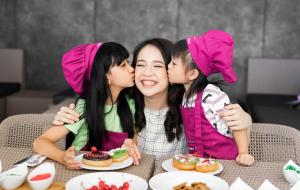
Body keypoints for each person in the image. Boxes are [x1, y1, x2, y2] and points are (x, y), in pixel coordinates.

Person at [53, 38, 252, 162]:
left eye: (157, 66)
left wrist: (247, 121)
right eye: (140, 64)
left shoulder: (191, 103)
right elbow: (93, 106)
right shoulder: (122, 103)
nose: (147, 73)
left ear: (173, 70)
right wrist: (66, 114)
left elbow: (226, 136)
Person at [33, 42, 140, 169]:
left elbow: (133, 137)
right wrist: (63, 157)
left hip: (115, 175)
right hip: (81, 172)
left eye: (128, 62)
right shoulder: (84, 107)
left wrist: (130, 145)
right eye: (123, 65)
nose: (132, 68)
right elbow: (39, 143)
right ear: (106, 77)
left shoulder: (129, 103)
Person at [167, 30, 254, 165]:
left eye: (173, 63)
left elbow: (237, 124)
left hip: (226, 163)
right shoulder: (185, 96)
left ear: (192, 74)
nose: (168, 66)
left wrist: (243, 153)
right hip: (201, 164)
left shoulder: (213, 96)